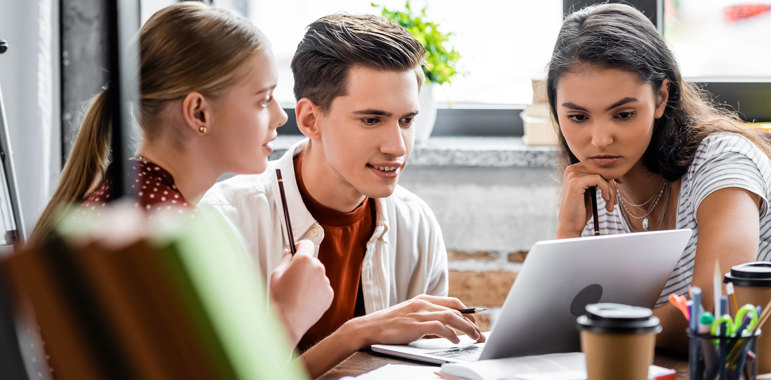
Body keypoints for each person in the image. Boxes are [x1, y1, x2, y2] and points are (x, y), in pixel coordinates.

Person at [28, 2, 333, 346]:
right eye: (262, 100)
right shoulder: (163, 240)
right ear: (199, 112)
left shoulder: (132, 202)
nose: (279, 117)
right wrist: (288, 318)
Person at [202, 14, 484, 377]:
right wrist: (356, 333)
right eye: (371, 120)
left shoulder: (416, 222)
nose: (397, 146)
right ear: (309, 119)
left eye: (407, 120)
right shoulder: (226, 222)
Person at [548, 3, 771, 350]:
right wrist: (568, 231)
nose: (599, 140)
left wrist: (601, 332)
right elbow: (554, 326)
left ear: (661, 98)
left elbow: (715, 313)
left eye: (623, 114)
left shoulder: (722, 162)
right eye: (578, 117)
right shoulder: (595, 186)